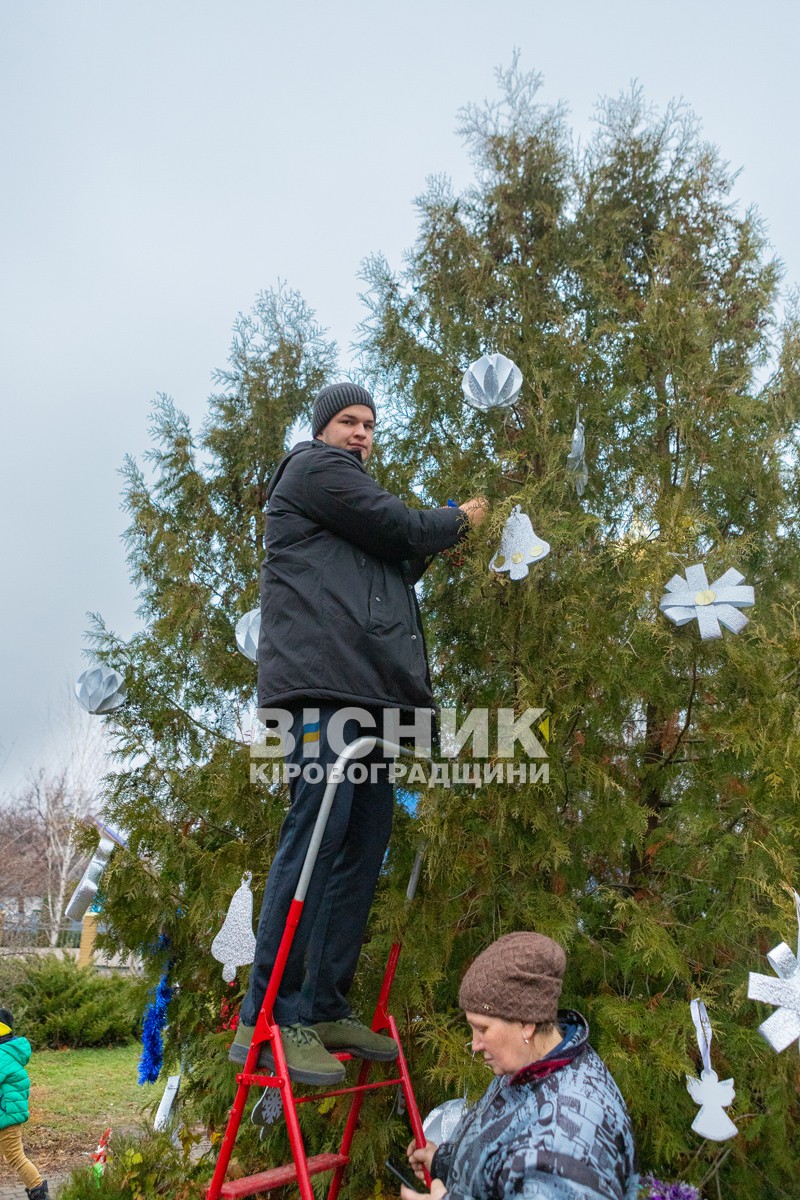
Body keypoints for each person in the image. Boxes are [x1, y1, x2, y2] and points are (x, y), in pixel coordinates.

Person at [229, 381, 487, 1085]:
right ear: (322, 429)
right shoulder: (312, 470)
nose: (362, 432)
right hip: (322, 690)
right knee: (315, 836)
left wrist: (428, 537)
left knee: (363, 839)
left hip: (366, 697)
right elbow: (404, 528)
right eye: (348, 421)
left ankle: (323, 1002)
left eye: (370, 424)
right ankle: (270, 1015)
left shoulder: (342, 512)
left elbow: (400, 558)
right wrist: (454, 517)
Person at [402, 932, 638, 1200]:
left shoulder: (567, 1139)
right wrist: (442, 1162)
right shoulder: (529, 1066)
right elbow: (502, 1156)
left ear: (526, 1023)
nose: (475, 1044)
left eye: (482, 1029)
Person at [0, 1008, 48, 1200]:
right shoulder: (7, 1052)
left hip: (5, 1116)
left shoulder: (2, 1055)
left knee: (16, 1158)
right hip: (7, 1113)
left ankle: (38, 1191)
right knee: (14, 1157)